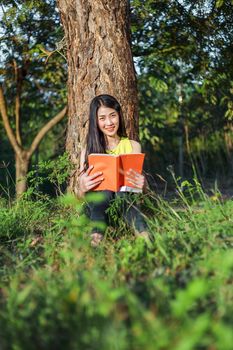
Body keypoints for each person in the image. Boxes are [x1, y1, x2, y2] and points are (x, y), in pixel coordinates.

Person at [78, 94, 149, 246]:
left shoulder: (133, 146)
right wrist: (82, 188)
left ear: (119, 116)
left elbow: (142, 191)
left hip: (124, 206)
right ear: (96, 121)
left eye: (113, 116)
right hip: (97, 208)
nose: (109, 122)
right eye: (102, 118)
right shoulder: (88, 151)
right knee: (103, 195)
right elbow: (79, 198)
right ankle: (96, 243)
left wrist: (143, 184)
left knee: (123, 194)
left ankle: (146, 241)